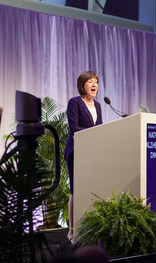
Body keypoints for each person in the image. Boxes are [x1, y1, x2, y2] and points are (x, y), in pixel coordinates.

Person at [64, 71, 103, 242]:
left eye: (96, 82)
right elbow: (74, 128)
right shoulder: (75, 103)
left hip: (92, 152)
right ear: (82, 85)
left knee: (91, 190)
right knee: (75, 190)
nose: (94, 84)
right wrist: (95, 133)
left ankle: (89, 229)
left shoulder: (99, 105)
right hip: (76, 152)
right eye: (90, 81)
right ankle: (72, 231)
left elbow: (101, 129)